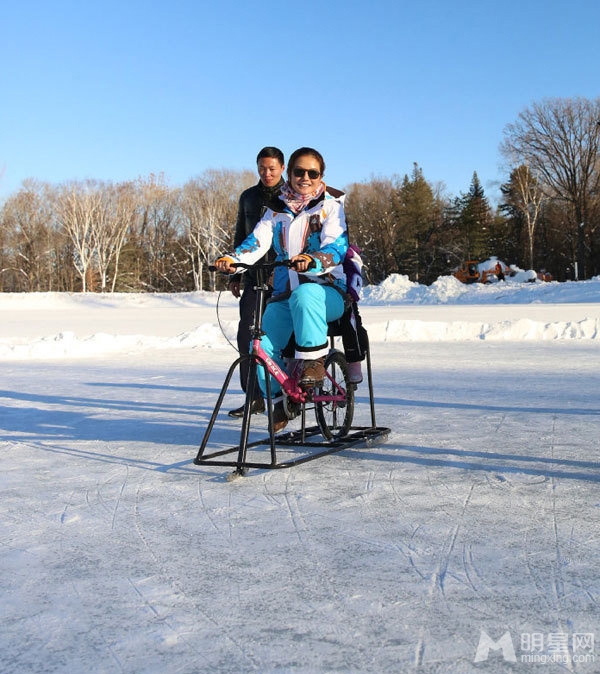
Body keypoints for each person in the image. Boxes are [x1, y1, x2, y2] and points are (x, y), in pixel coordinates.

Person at [215, 147, 348, 432]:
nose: (305, 177)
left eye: (312, 173)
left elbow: (336, 245)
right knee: (261, 344)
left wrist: (314, 260)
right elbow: (256, 242)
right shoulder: (276, 210)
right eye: (299, 172)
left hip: (328, 292)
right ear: (290, 174)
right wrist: (233, 261)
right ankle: (279, 400)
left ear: (321, 176)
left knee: (306, 294)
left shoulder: (330, 206)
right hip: (286, 295)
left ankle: (314, 361)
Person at [227, 147, 285, 419]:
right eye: (262, 168)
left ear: (282, 168)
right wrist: (235, 271)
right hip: (253, 276)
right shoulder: (248, 197)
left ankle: (282, 395)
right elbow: (241, 233)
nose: (267, 173)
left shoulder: (290, 197)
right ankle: (253, 397)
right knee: (246, 335)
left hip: (282, 276)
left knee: (277, 337)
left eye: (272, 168)